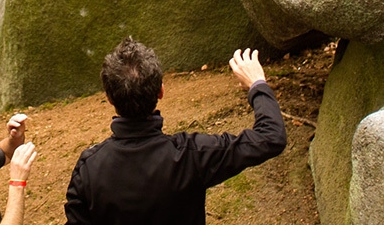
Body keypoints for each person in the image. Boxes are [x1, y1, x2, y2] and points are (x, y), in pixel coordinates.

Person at [64, 37, 287, 224]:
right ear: (161, 91)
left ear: (109, 98)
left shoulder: (88, 170)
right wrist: (257, 84)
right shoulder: (192, 156)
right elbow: (270, 136)